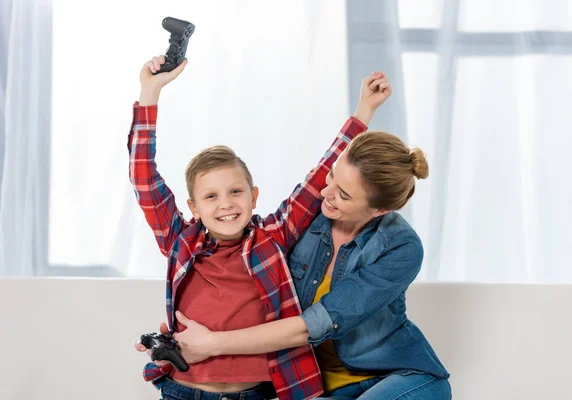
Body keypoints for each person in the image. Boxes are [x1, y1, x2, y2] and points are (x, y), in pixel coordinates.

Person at [130, 53, 392, 400]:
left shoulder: (272, 237)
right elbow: (144, 180)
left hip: (253, 393)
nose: (225, 203)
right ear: (193, 207)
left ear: (253, 196)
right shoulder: (181, 241)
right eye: (211, 196)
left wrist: (364, 113)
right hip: (185, 391)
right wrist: (150, 92)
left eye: (236, 191)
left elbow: (319, 178)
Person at [160, 94, 452, 399]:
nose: (326, 192)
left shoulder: (401, 247)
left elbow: (312, 325)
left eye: (343, 194)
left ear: (379, 210)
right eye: (332, 178)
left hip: (394, 376)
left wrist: (211, 343)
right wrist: (186, 337)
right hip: (317, 385)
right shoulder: (307, 219)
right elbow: (244, 288)